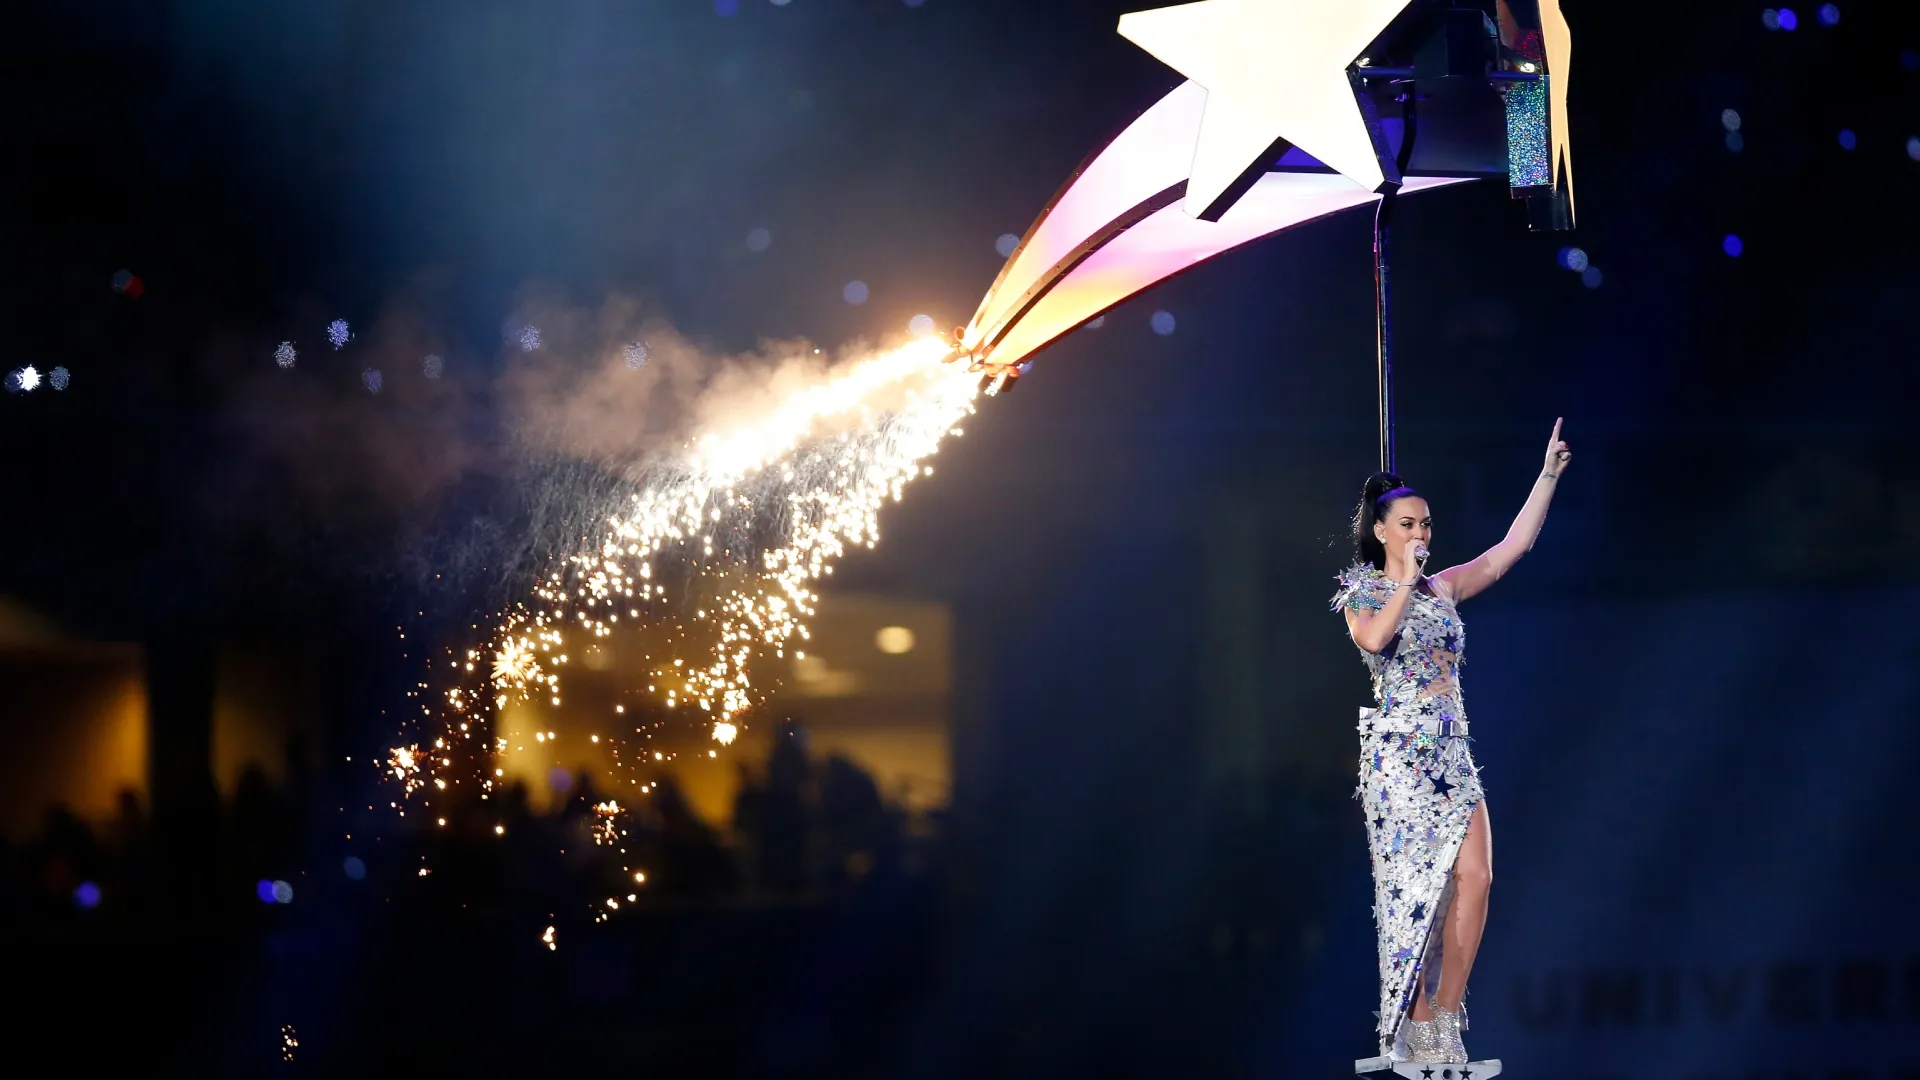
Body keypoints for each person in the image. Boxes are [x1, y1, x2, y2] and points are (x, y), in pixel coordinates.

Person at [1331, 419, 1572, 1064]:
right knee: (1420, 889)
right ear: (1382, 531)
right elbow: (1376, 640)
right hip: (1401, 757)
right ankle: (1411, 1021)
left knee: (1477, 875)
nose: (1421, 535)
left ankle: (1443, 1018)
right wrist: (1403, 578)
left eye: (1427, 525)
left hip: (1451, 749)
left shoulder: (1444, 588)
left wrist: (1545, 476)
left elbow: (1507, 551)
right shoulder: (1362, 591)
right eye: (1408, 525)